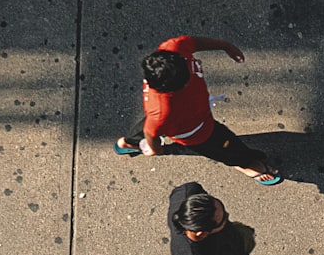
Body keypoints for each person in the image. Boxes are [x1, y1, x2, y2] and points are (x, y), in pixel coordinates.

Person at [116, 35, 282, 185]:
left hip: (170, 120)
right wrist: (155, 149)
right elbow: (151, 133)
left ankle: (129, 142)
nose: (189, 81)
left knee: (157, 123)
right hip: (196, 131)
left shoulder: (173, 47)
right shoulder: (161, 112)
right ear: (166, 90)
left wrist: (225, 45)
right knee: (225, 146)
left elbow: (195, 43)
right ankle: (246, 163)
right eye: (184, 83)